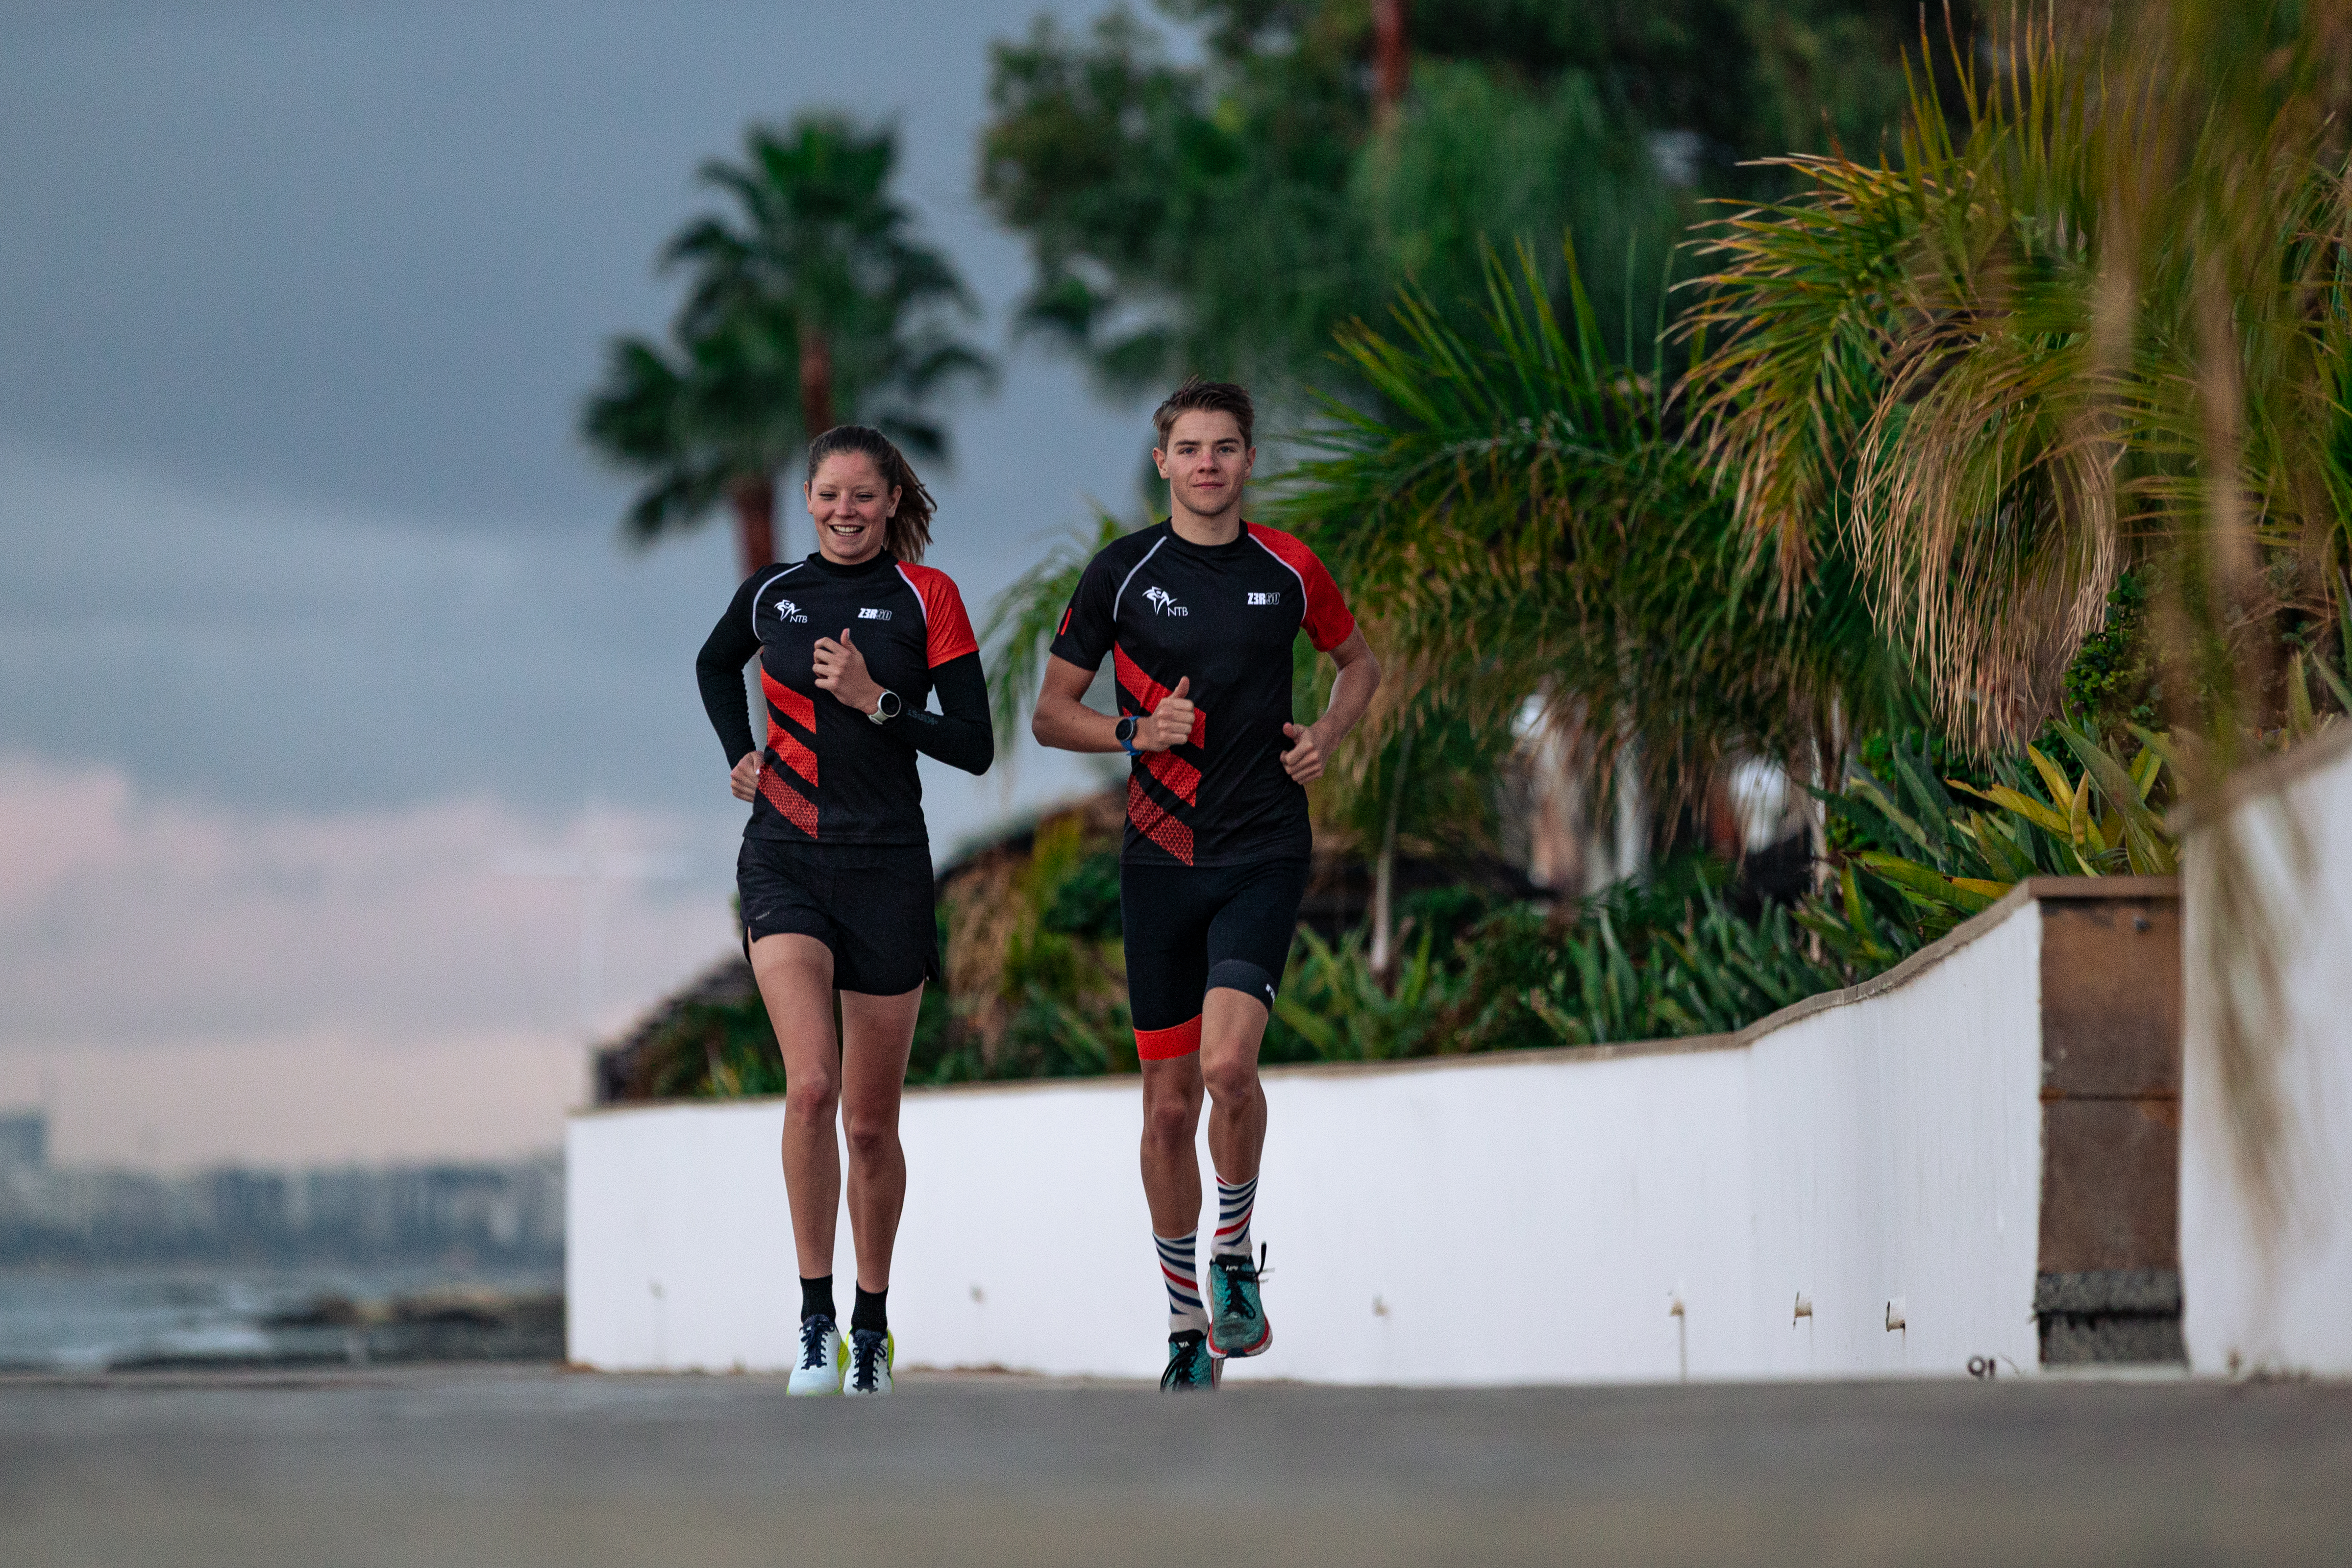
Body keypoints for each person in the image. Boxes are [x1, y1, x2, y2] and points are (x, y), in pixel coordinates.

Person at [1030, 378, 1380, 1390]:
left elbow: (1357, 666)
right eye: (1191, 448)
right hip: (1156, 863)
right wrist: (1136, 732)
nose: (1209, 464)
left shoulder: (1289, 567)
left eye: (1227, 447)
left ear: (1248, 461)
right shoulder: (1123, 573)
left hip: (1264, 847)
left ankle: (1233, 1251)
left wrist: (1326, 735)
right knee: (1167, 1109)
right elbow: (1055, 712)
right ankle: (1188, 1323)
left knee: (1231, 1068)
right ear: (1164, 463)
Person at [694, 424, 992, 1396]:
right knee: (811, 1087)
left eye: (864, 496)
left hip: (888, 869)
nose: (844, 512)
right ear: (810, 498)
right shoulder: (772, 594)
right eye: (828, 495)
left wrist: (876, 701)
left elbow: (976, 744)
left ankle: (872, 1323)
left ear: (893, 501)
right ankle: (815, 1320)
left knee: (869, 1124)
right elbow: (711, 664)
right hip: (783, 859)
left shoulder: (927, 598)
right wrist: (740, 751)